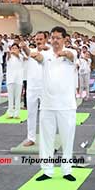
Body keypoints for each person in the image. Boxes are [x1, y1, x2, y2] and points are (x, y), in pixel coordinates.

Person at [30, 26, 77, 181]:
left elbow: (71, 56)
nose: (55, 40)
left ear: (64, 39)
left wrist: (64, 53)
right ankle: (47, 170)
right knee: (46, 138)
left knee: (67, 138)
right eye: (53, 38)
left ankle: (67, 169)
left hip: (66, 105)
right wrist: (28, 51)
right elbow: (38, 58)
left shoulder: (72, 52)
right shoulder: (45, 54)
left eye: (58, 38)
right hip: (48, 105)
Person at [20, 32, 47, 147]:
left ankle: (46, 138)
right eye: (37, 39)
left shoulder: (50, 52)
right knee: (31, 113)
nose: (39, 41)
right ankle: (31, 138)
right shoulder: (32, 51)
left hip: (45, 87)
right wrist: (24, 46)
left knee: (46, 114)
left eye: (41, 39)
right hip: (32, 87)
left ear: (46, 39)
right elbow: (28, 52)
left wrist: (46, 48)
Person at [6, 43, 25, 118]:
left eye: (15, 48)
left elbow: (19, 57)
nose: (14, 50)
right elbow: (8, 58)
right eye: (12, 48)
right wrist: (9, 53)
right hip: (10, 79)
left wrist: (15, 53)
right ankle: (10, 113)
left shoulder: (21, 56)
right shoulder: (9, 56)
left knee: (17, 97)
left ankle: (17, 113)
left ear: (18, 49)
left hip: (18, 79)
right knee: (10, 97)